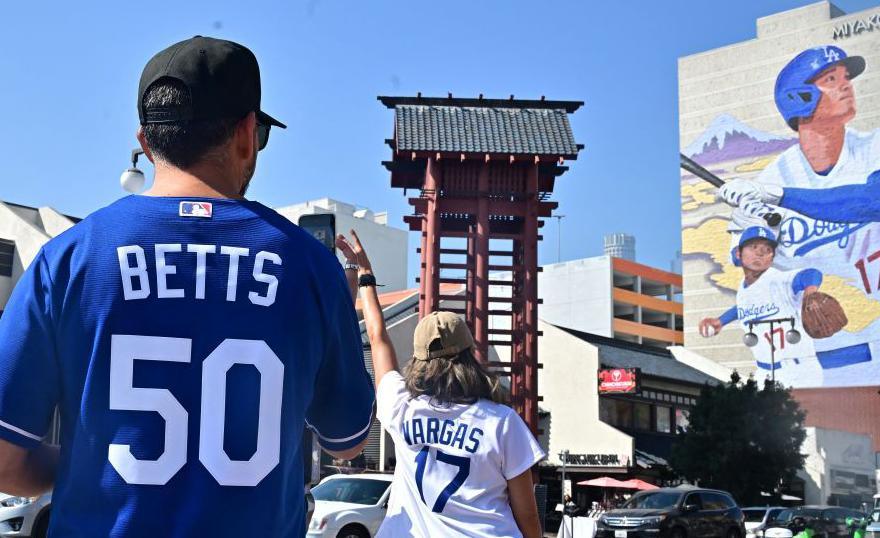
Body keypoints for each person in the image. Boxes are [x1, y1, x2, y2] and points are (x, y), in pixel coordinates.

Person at [0, 36, 374, 536]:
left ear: (145, 140)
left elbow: (5, 460)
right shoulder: (309, 267)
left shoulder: (67, 261)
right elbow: (346, 440)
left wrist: (88, 465)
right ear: (246, 133)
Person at [719, 45, 880, 386]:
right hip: (787, 364)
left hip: (869, 358)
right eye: (831, 78)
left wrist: (779, 197)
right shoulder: (767, 181)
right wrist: (747, 220)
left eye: (846, 77)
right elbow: (748, 271)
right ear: (798, 97)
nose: (846, 85)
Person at [336, 231, 544, 538]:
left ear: (419, 359)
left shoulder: (401, 404)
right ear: (469, 354)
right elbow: (526, 512)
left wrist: (364, 276)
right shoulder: (501, 422)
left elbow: (378, 340)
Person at [698, 227, 824, 387]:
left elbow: (811, 274)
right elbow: (742, 307)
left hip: (798, 371)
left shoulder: (777, 280)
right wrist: (721, 321)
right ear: (739, 253)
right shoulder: (744, 289)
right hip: (763, 373)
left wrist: (810, 291)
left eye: (767, 249)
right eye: (753, 247)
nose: (760, 253)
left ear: (772, 257)